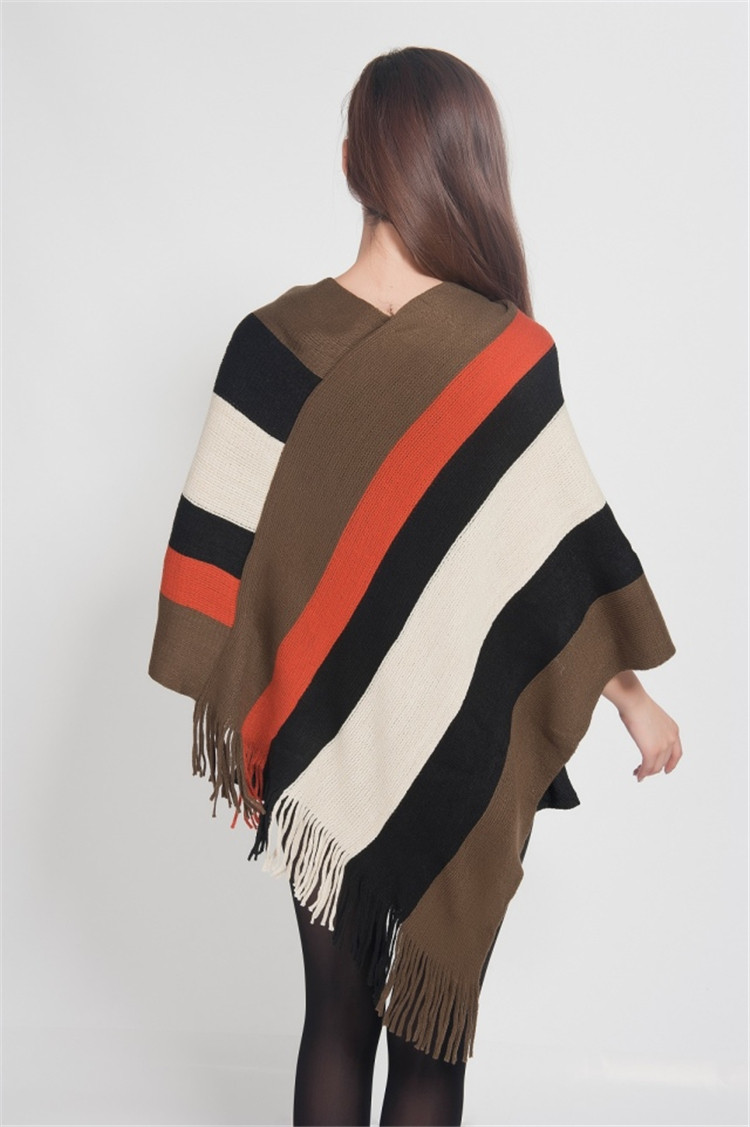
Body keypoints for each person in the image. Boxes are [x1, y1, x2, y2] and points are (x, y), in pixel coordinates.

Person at [148, 46, 681, 1127]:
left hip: (317, 739)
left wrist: (245, 710)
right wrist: (631, 694)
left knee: (334, 1017)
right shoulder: (506, 354)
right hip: (460, 748)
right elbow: (564, 565)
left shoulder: (272, 345)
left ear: (352, 159)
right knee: (431, 1048)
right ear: (468, 163)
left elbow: (218, 550)